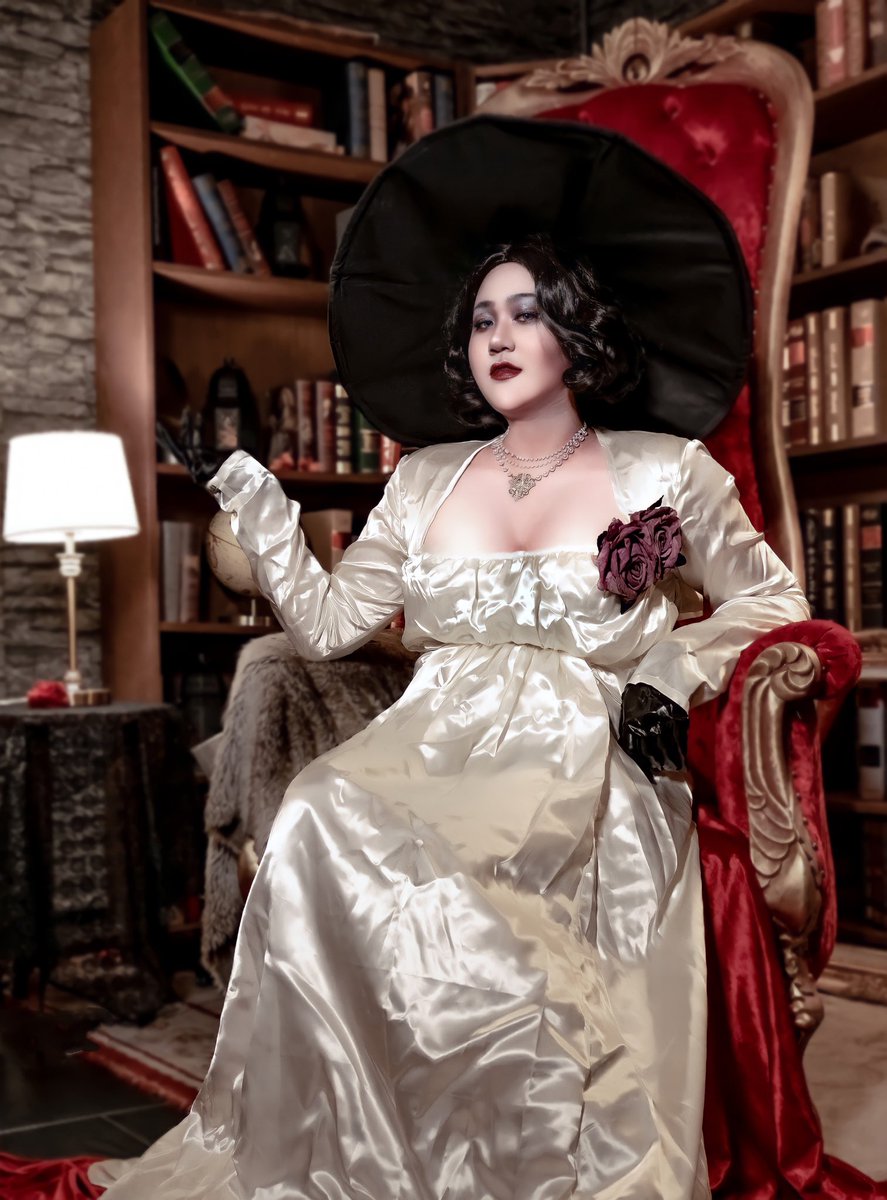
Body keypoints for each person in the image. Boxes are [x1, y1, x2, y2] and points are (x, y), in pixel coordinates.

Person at [3, 115, 884, 1200]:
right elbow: (331, 626)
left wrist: (669, 669)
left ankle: (505, 1157)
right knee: (318, 814)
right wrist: (255, 504)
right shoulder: (422, 478)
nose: (497, 336)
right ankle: (363, 1146)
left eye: (526, 311)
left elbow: (773, 599)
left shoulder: (665, 469)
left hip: (576, 745)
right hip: (430, 734)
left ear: (577, 329)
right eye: (479, 319)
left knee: (476, 882)